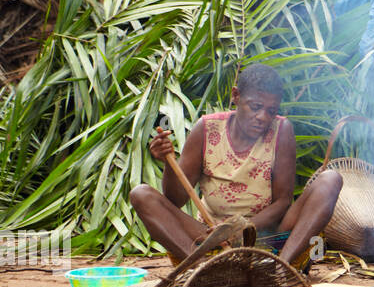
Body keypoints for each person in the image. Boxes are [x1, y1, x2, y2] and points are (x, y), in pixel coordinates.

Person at [130, 63, 342, 267]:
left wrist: (243, 229)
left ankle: (282, 266)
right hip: (211, 234)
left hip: (265, 234)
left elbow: (282, 202)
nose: (262, 117)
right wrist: (168, 162)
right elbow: (175, 200)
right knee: (141, 194)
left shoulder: (281, 130)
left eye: (271, 110)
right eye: (256, 107)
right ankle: (202, 269)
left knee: (330, 180)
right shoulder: (206, 129)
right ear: (236, 96)